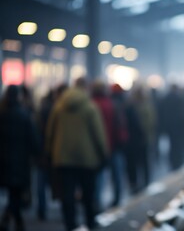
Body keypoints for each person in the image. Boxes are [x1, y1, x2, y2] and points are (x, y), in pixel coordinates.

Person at [45, 77, 107, 231]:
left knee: (67, 195)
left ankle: (70, 224)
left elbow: (50, 132)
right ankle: (90, 222)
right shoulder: (90, 107)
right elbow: (98, 134)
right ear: (86, 88)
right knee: (88, 194)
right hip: (87, 158)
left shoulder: (59, 106)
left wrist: (49, 152)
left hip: (63, 157)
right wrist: (104, 154)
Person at [0, 85, 41, 231]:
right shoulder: (24, 116)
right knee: (16, 194)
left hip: (5, 162)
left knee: (13, 194)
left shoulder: (2, 115)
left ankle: (13, 220)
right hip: (21, 162)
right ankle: (13, 220)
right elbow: (33, 140)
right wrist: (37, 155)